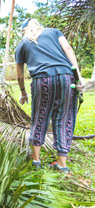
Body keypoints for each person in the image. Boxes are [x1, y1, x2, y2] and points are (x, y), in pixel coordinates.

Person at [15, 18, 84, 173]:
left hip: (42, 79)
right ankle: (61, 163)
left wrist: (23, 93)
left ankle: (36, 161)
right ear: (40, 26)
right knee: (64, 117)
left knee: (40, 117)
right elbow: (68, 49)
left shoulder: (23, 43)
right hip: (66, 77)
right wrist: (78, 76)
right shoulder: (54, 32)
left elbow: (20, 75)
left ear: (24, 30)